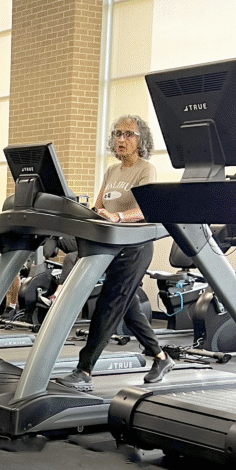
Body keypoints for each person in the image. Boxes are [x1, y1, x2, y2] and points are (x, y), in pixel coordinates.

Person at [55, 115, 174, 392]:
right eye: (118, 134)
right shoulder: (112, 171)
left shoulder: (146, 170)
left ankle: (84, 370)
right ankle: (161, 358)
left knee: (109, 304)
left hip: (136, 247)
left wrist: (119, 217)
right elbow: (99, 207)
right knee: (127, 305)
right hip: (112, 245)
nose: (121, 139)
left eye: (129, 134)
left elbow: (147, 210)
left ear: (141, 140)